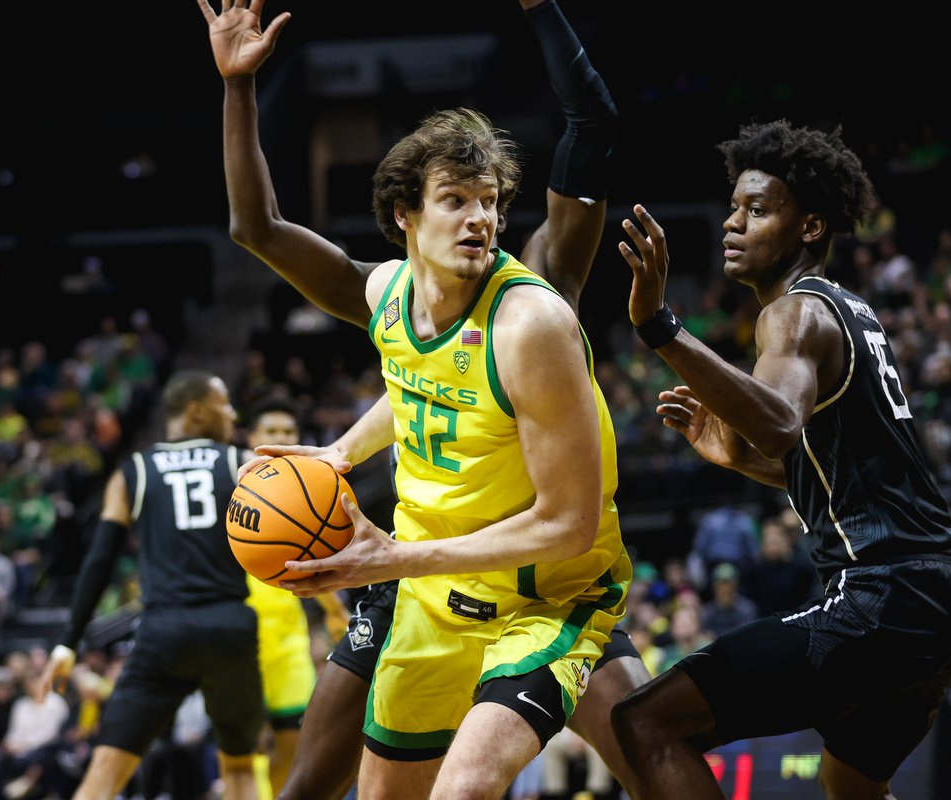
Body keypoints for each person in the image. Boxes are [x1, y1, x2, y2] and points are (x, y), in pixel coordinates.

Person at [198, 0, 649, 797]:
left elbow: (595, 121)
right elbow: (258, 228)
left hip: (544, 586)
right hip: (436, 584)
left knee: (619, 758)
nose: (482, 220)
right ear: (405, 216)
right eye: (458, 201)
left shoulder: (538, 301)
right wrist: (240, 88)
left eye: (491, 203)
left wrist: (542, 12)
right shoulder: (389, 297)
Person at [610, 119, 951, 797]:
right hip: (943, 594)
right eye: (733, 208)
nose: (733, 223)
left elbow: (780, 422)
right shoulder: (852, 312)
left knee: (647, 722)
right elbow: (832, 470)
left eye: (758, 210)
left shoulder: (793, 314)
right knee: (849, 782)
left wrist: (659, 328)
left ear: (809, 228)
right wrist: (738, 460)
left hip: (885, 594)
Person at [34, 370, 265, 800]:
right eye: (224, 403)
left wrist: (69, 642)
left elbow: (100, 560)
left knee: (104, 774)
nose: (233, 413)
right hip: (229, 625)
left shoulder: (133, 470)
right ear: (196, 411)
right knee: (240, 767)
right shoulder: (241, 462)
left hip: (165, 631)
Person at [241, 395, 349, 795]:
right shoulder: (231, 487)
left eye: (288, 431)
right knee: (245, 750)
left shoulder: (308, 489)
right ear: (253, 437)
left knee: (294, 745)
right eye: (272, 431)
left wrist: (335, 609)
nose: (281, 437)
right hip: (241, 637)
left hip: (287, 641)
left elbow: (313, 561)